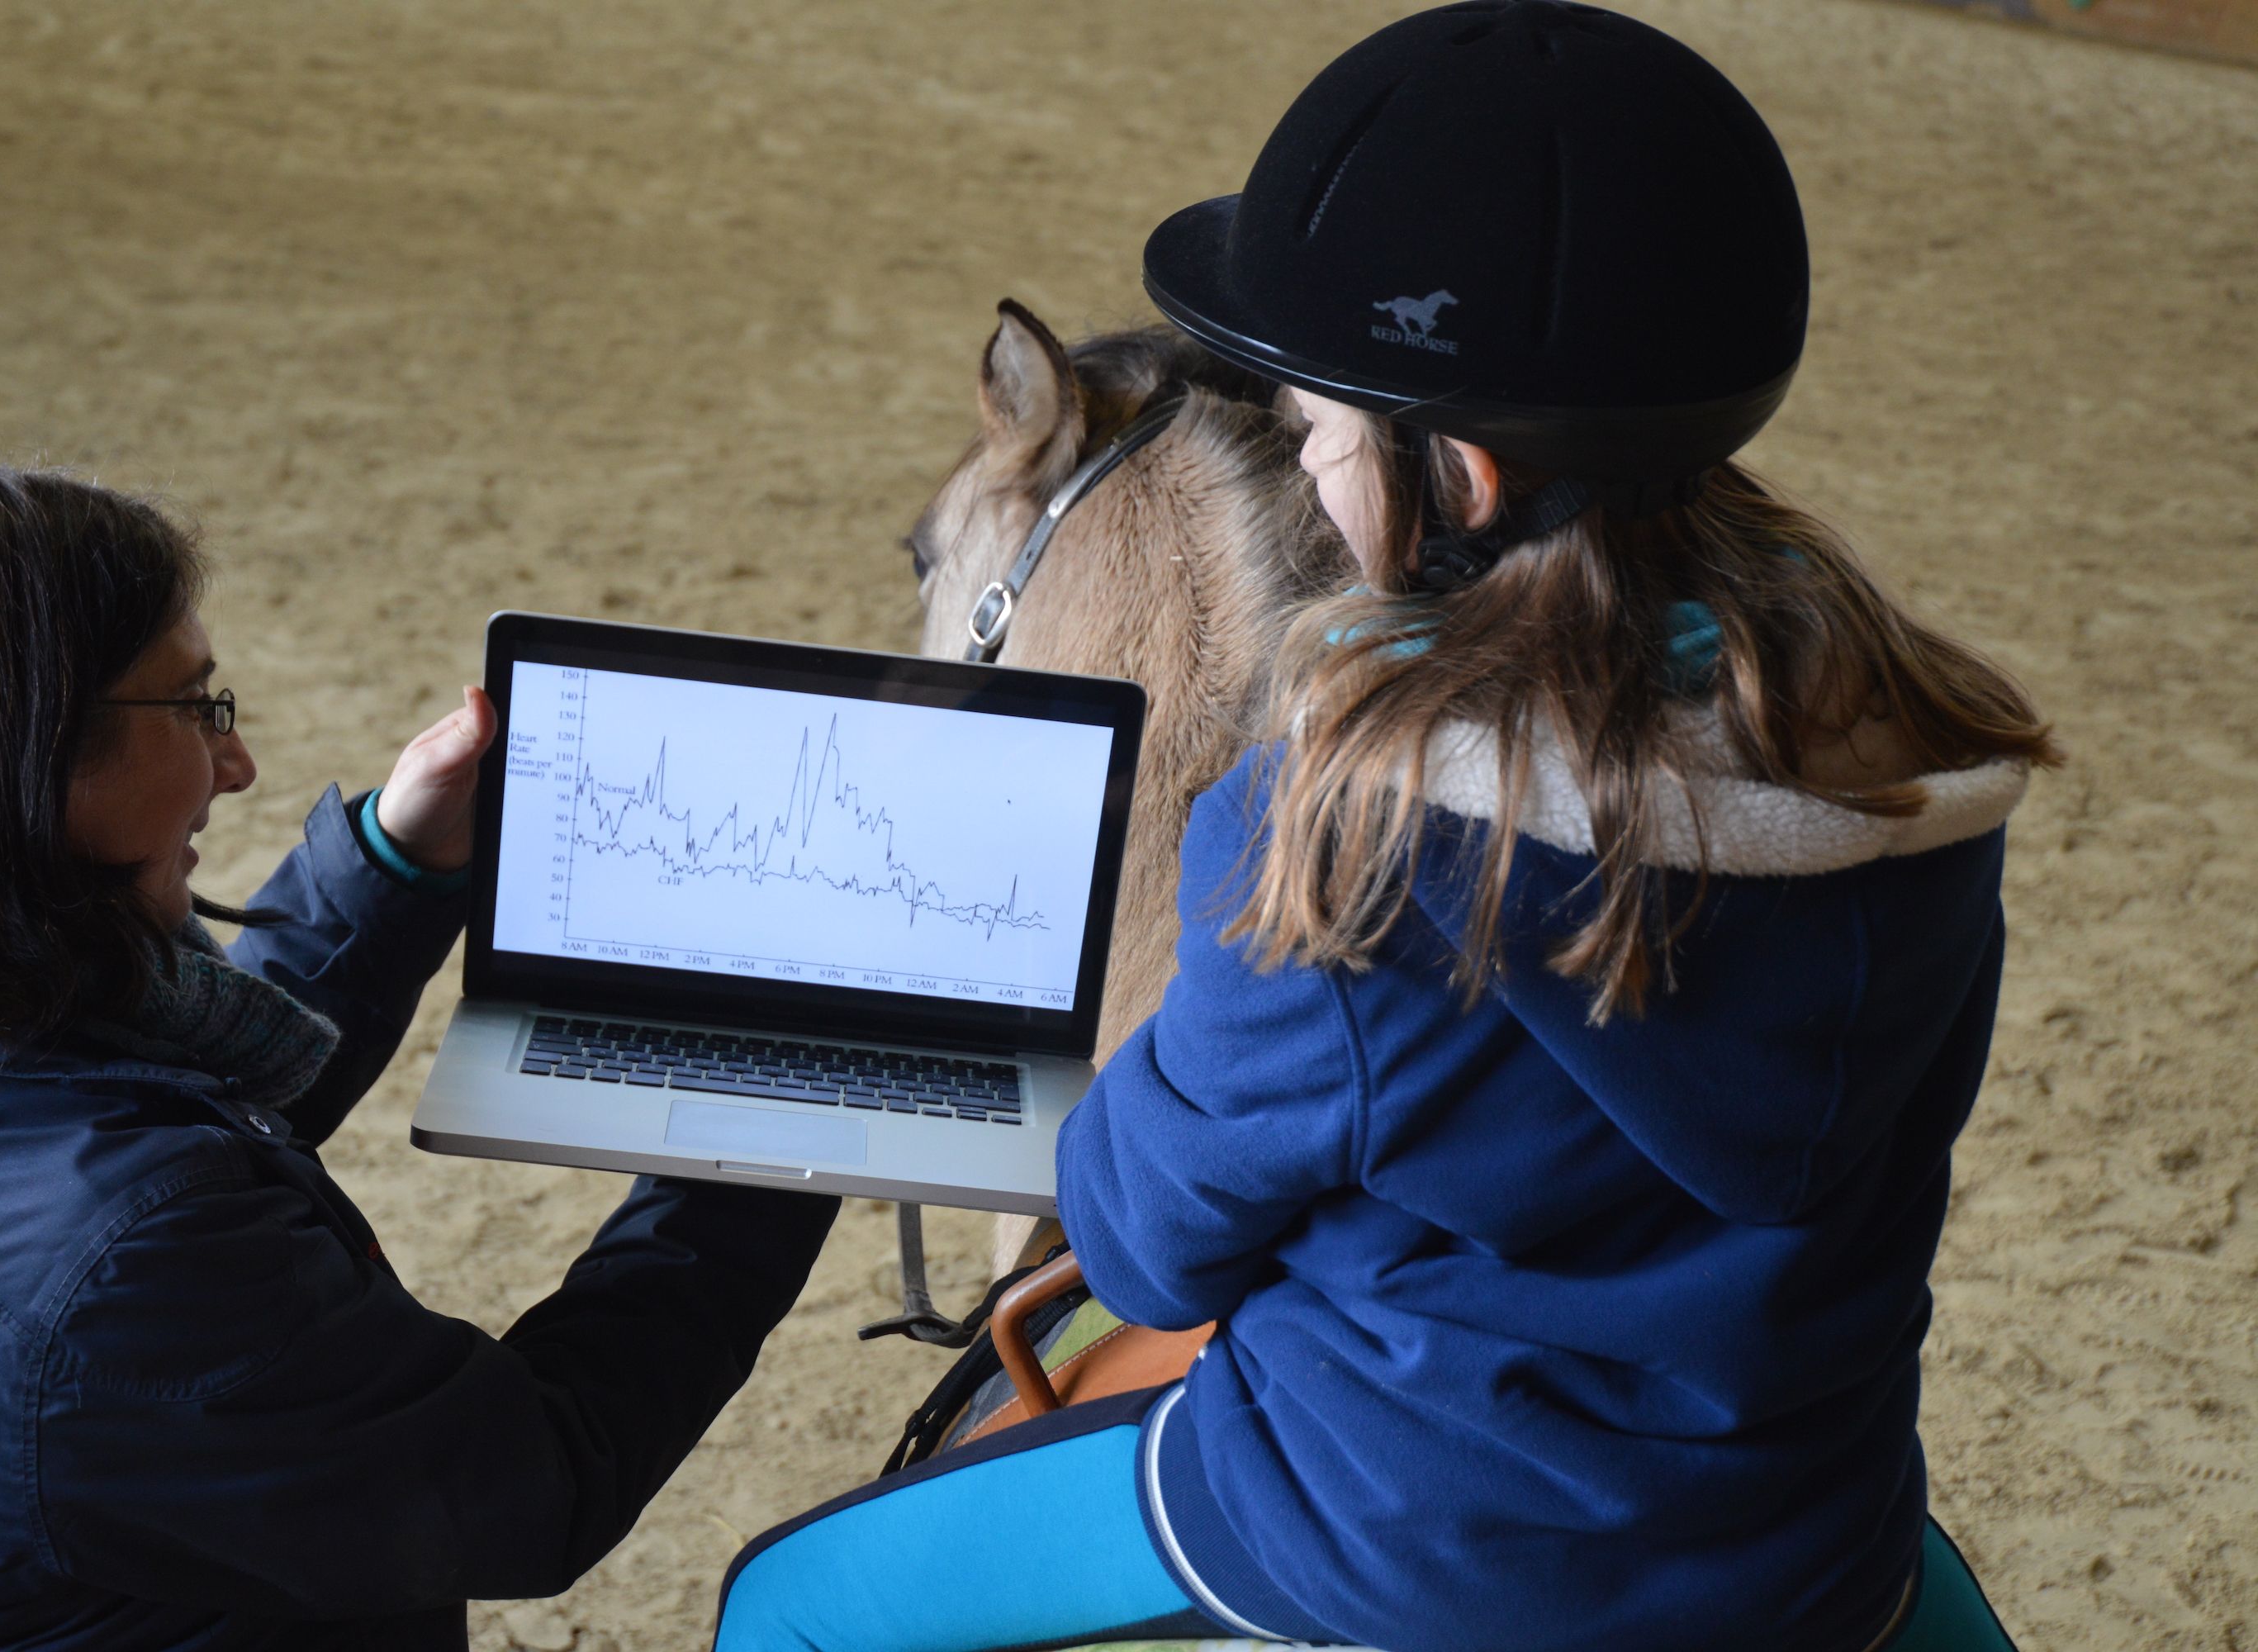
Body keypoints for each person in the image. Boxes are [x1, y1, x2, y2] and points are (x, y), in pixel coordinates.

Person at [713, 4, 2056, 1650]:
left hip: (1391, 1545)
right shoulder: (1907, 761)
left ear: (1464, 478)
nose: (1311, 464)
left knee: (784, 1609)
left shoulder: (1354, 835)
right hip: (1802, 1553)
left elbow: (1140, 1243)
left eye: (1312, 433)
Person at [0, 458, 837, 1650]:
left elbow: (148, 1097)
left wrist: (393, 863)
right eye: (193, 709)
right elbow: (532, 1476)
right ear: (29, 763)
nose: (236, 766)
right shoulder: (115, 1263)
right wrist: (778, 1118)